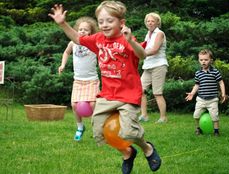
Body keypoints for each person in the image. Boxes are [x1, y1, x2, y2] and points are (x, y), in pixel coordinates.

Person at [49, 1, 161, 173]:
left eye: (109, 21)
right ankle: (127, 153)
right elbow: (77, 38)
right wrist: (62, 23)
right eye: (101, 21)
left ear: (121, 23)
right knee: (99, 130)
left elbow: (143, 55)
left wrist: (131, 40)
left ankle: (147, 149)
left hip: (128, 94)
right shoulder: (98, 39)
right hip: (107, 95)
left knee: (129, 132)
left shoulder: (126, 40)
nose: (104, 25)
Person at [58, 17, 100, 141]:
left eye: (86, 30)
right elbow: (66, 53)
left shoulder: (93, 44)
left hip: (92, 80)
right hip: (78, 80)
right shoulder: (72, 43)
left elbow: (102, 53)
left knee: (93, 104)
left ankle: (96, 128)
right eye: (80, 29)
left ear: (91, 33)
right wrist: (63, 65)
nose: (82, 31)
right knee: (74, 105)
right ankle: (80, 127)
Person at [185, 49, 227, 136]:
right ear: (199, 60)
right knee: (196, 115)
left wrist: (223, 94)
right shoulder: (198, 73)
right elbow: (197, 85)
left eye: (206, 60)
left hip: (212, 100)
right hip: (201, 99)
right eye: (201, 60)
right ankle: (198, 128)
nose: (203, 62)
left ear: (211, 61)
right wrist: (192, 93)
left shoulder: (215, 72)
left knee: (214, 117)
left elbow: (221, 82)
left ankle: (216, 131)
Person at [139, 12, 168, 123]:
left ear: (157, 22)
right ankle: (144, 115)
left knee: (157, 93)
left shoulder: (159, 33)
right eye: (148, 21)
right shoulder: (148, 34)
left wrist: (141, 54)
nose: (150, 23)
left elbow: (155, 49)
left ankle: (163, 118)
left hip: (159, 65)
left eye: (152, 21)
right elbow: (143, 47)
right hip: (148, 66)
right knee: (140, 90)